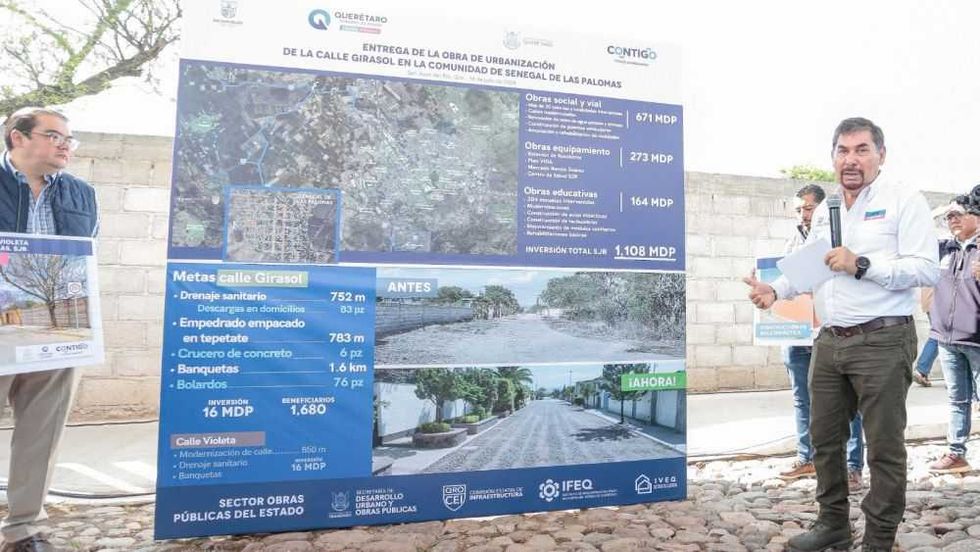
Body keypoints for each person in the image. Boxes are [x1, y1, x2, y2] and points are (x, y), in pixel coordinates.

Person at [744, 117, 938, 552]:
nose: (851, 160)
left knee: (884, 447)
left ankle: (878, 538)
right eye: (843, 151)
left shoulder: (904, 199)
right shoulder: (830, 207)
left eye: (862, 150)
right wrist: (774, 290)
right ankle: (832, 522)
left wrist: (862, 263)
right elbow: (815, 264)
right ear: (833, 157)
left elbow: (927, 269)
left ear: (880, 156)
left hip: (883, 341)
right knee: (824, 438)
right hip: (830, 342)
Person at [0, 107, 99, 552]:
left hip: (56, 335)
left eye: (69, 139)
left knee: (42, 430)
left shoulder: (81, 194)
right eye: (55, 136)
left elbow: (86, 258)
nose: (65, 146)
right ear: (17, 138)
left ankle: (25, 530)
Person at [778, 184, 866, 494]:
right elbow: (784, 280)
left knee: (849, 403)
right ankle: (807, 458)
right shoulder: (793, 240)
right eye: (799, 210)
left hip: (828, 333)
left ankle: (853, 467)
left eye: (807, 208)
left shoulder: (838, 239)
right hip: (795, 332)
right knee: (802, 400)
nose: (803, 215)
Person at [927, 194, 980, 474]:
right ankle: (956, 452)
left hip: (976, 340)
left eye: (959, 213)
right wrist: (940, 210)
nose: (953, 220)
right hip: (946, 340)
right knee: (957, 400)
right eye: (949, 216)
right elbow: (916, 233)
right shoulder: (943, 249)